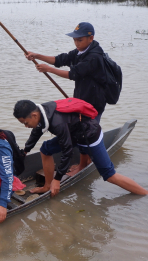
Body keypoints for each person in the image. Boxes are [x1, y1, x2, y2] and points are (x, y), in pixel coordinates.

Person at [13, 99, 148, 197]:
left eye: (25, 123)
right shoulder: (42, 111)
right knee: (45, 149)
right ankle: (46, 186)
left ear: (34, 115)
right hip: (74, 134)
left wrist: (58, 179)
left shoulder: (57, 123)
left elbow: (67, 152)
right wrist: (26, 150)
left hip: (90, 136)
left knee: (109, 175)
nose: (26, 126)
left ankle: (147, 194)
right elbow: (37, 130)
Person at [24, 22, 106, 177]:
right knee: (79, 129)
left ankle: (83, 163)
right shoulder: (80, 51)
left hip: (93, 103)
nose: (76, 43)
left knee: (85, 132)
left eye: (79, 40)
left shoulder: (94, 56)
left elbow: (73, 74)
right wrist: (37, 55)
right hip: (80, 100)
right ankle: (84, 159)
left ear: (91, 38)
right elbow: (61, 59)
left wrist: (49, 70)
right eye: (74, 40)